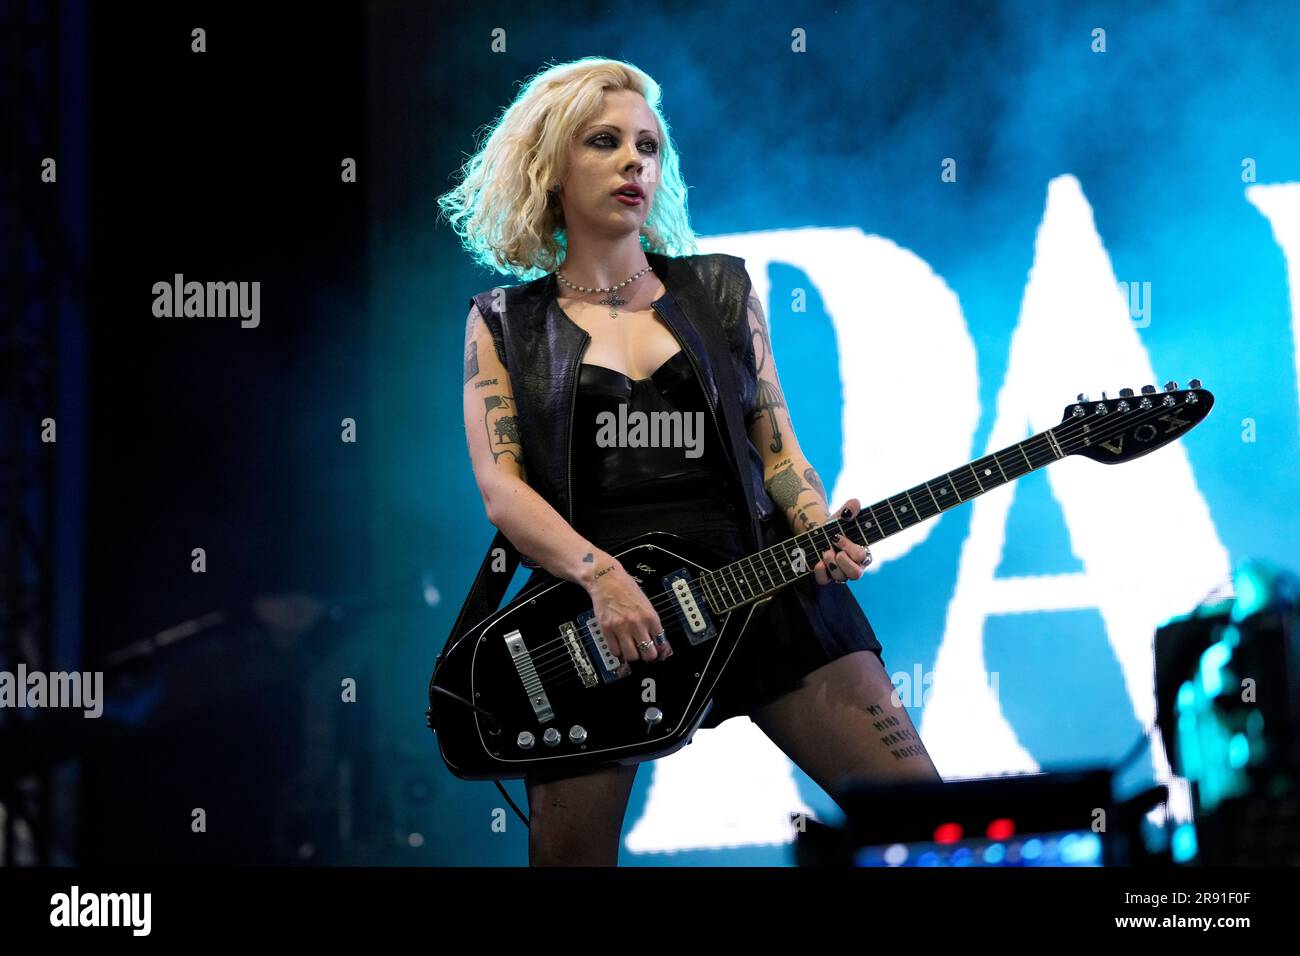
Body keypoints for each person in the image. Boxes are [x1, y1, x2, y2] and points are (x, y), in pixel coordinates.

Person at [439, 57, 941, 866]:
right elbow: (503, 489)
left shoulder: (721, 288)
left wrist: (817, 523)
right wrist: (601, 578)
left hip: (765, 580)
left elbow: (780, 450)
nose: (634, 161)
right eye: (604, 142)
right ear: (550, 165)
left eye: (649, 145)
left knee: (931, 830)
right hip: (600, 613)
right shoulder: (501, 324)